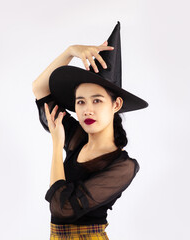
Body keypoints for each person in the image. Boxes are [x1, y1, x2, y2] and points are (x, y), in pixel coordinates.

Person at [32, 22, 148, 240]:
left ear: (115, 105)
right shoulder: (77, 139)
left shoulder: (123, 166)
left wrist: (57, 145)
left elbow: (62, 208)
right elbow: (40, 88)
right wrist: (70, 51)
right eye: (81, 102)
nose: (88, 110)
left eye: (97, 100)